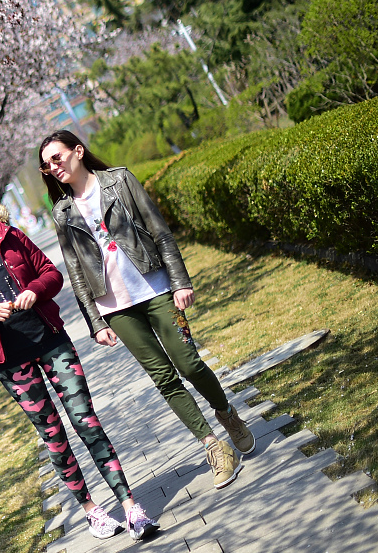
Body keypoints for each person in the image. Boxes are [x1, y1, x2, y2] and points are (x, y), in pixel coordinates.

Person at [0, 188, 160, 542]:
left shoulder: (8, 235)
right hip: (12, 364)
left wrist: (35, 289)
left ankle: (130, 507)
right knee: (55, 438)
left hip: (51, 342)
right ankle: (91, 511)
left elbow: (51, 274)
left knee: (86, 422)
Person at [38, 129, 255, 490]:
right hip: (116, 307)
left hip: (155, 289)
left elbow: (159, 231)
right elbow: (76, 271)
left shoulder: (120, 180)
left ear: (78, 151)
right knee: (164, 378)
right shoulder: (62, 213)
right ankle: (213, 446)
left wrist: (180, 281)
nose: (53, 167)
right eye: (46, 166)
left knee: (189, 364)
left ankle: (227, 414)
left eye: (56, 158)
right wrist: (95, 321)